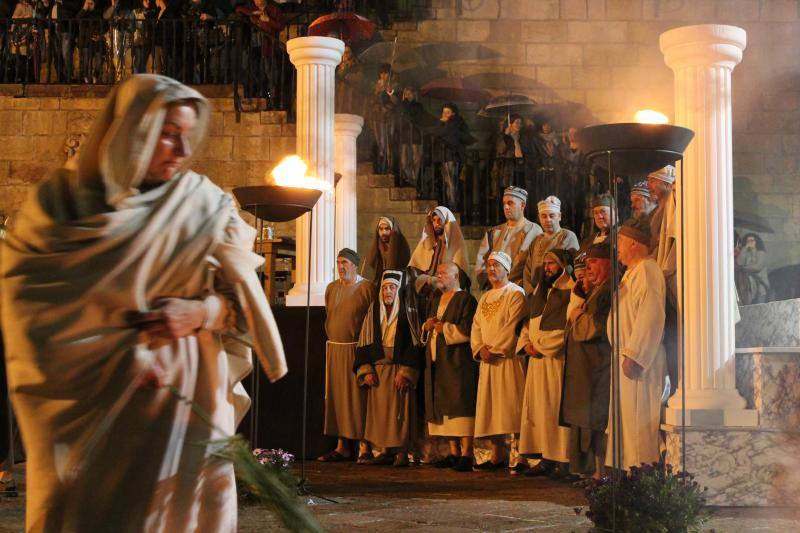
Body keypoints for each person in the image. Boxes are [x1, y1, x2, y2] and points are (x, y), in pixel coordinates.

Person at [1, 75, 287, 530]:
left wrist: (200, 312)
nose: (180, 148)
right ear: (133, 128)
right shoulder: (60, 207)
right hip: (94, 403)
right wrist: (111, 356)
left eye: (187, 136)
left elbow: (242, 307)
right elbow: (28, 309)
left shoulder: (204, 203)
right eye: (167, 133)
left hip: (186, 397)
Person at [606, 219, 667, 471]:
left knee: (638, 423)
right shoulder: (632, 272)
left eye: (620, 241)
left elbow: (651, 314)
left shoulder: (647, 270)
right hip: (626, 356)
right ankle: (629, 477)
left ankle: (642, 477)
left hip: (639, 361)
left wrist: (636, 355)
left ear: (634, 242)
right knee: (627, 425)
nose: (616, 247)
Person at [517, 249, 575, 480]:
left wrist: (539, 346)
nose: (548, 267)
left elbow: (566, 330)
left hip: (555, 362)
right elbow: (526, 323)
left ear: (562, 264)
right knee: (539, 409)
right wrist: (526, 343)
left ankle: (562, 458)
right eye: (546, 263)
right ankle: (545, 456)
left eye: (552, 263)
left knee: (554, 408)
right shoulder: (540, 291)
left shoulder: (570, 290)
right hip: (537, 362)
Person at [355, 270, 422, 467]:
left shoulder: (408, 313)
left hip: (398, 372)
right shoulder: (373, 313)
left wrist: (406, 373)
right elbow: (364, 343)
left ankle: (401, 452)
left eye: (392, 287)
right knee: (380, 416)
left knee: (399, 415)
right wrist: (366, 371)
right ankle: (384, 451)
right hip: (379, 373)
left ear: (399, 290)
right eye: (385, 288)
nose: (388, 292)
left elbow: (415, 345)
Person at [471, 252, 527, 472]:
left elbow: (513, 325)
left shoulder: (515, 293)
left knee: (513, 405)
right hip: (488, 360)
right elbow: (476, 326)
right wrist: (479, 348)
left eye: (496, 265)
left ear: (506, 269)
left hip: (507, 360)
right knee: (492, 408)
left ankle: (521, 455)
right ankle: (497, 454)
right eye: (489, 265)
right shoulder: (485, 297)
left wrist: (495, 349)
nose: (491, 269)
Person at [318, 248, 375, 463]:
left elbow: (371, 320)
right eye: (339, 262)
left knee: (357, 398)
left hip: (356, 349)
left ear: (355, 265)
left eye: (345, 263)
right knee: (336, 397)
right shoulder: (332, 288)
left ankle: (364, 445)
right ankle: (342, 446)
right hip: (335, 349)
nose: (341, 266)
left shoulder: (366, 287)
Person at [421, 262, 479, 473]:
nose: (439, 276)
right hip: (438, 361)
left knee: (460, 404)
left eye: (444, 273)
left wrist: (443, 328)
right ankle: (453, 451)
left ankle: (467, 453)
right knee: (444, 407)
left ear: (456, 276)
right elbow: (430, 328)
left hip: (457, 361)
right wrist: (427, 326)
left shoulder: (466, 299)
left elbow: (469, 329)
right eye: (438, 274)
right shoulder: (435, 299)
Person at [561, 243, 611, 479]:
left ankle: (601, 475)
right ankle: (594, 475)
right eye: (587, 262)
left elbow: (592, 328)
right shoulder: (596, 290)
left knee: (596, 424)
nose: (588, 267)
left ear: (609, 263)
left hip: (597, 368)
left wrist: (576, 315)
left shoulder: (607, 291)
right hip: (586, 370)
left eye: (594, 262)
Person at [474, 186, 542, 290]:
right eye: (504, 203)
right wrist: (491, 281)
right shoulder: (493, 232)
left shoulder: (533, 230)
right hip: (493, 287)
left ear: (522, 205)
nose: (506, 207)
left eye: (510, 203)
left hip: (517, 288)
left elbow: (522, 261)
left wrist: (504, 281)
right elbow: (482, 261)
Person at [408, 205, 470, 300]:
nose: (436, 223)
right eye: (434, 220)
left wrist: (436, 282)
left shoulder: (456, 245)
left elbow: (459, 276)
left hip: (448, 295)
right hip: (427, 295)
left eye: (440, 220)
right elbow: (414, 270)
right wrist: (425, 281)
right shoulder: (426, 243)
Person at [524, 196, 579, 295]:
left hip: (558, 292)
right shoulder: (536, 240)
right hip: (535, 293)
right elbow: (527, 271)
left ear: (559, 216)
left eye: (552, 216)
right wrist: (530, 293)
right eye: (544, 216)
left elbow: (573, 268)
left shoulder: (567, 236)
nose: (548, 220)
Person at [432, 102, 474, 212]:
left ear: (453, 113)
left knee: (451, 181)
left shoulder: (455, 122)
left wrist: (442, 123)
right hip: (445, 156)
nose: (445, 114)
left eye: (448, 112)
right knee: (448, 181)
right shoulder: (448, 123)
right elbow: (436, 133)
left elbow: (443, 134)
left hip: (452, 156)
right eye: (444, 112)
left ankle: (452, 204)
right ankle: (451, 203)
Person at [361, 216, 411, 286]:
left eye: (387, 229)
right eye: (381, 229)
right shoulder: (376, 247)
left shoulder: (401, 245)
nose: (383, 232)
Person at [370, 63, 399, 174]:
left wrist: (390, 93)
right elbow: (372, 101)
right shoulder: (375, 86)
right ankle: (380, 167)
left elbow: (396, 102)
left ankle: (389, 167)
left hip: (389, 116)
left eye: (386, 73)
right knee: (380, 141)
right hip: (378, 117)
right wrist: (377, 92)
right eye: (382, 73)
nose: (384, 76)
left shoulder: (394, 85)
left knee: (388, 140)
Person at [397, 87, 425, 189]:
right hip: (404, 134)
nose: (408, 95)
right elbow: (400, 113)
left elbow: (412, 115)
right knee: (404, 159)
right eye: (406, 93)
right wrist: (403, 102)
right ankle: (408, 177)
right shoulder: (402, 104)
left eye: (410, 93)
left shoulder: (418, 106)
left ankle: (413, 179)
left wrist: (405, 103)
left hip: (415, 134)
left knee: (415, 157)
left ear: (414, 94)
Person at [736, 233, 770, 304]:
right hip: (749, 287)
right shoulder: (746, 253)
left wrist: (744, 268)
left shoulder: (761, 253)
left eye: (752, 240)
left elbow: (757, 267)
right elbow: (739, 262)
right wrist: (745, 248)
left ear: (756, 242)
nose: (750, 242)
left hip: (760, 287)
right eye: (748, 241)